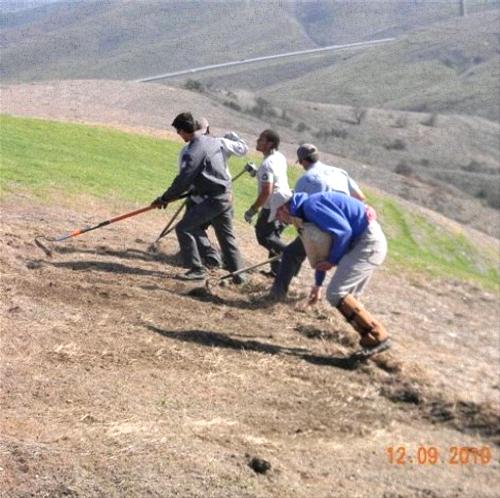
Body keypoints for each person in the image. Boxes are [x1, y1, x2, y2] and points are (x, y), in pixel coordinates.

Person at [268, 190, 390, 356]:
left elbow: (344, 232)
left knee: (335, 293)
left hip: (367, 243)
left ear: (283, 208)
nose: (279, 221)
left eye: (277, 215)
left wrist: (333, 260)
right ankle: (370, 344)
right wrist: (317, 285)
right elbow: (322, 252)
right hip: (364, 242)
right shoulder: (305, 213)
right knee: (349, 298)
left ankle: (377, 337)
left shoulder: (311, 206)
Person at [152, 112, 245, 282]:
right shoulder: (212, 141)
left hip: (213, 199)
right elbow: (208, 170)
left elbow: (183, 180)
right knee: (226, 238)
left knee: (184, 227)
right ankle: (240, 277)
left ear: (183, 130)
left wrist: (164, 198)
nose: (178, 136)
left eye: (178, 132)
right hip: (226, 195)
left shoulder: (193, 150)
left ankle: (196, 269)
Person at [270, 143, 365, 299]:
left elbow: (297, 213)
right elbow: (360, 198)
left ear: (302, 161)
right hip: (347, 225)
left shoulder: (305, 180)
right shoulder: (340, 172)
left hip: (322, 226)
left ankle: (276, 294)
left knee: (291, 253)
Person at [179, 118, 249, 268]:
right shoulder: (221, 142)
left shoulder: (186, 150)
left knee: (190, 226)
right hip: (223, 196)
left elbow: (184, 175)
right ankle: (235, 270)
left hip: (201, 196)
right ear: (208, 129)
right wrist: (234, 136)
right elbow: (243, 149)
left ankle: (209, 255)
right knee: (225, 235)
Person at [244, 129, 291, 276]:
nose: (257, 141)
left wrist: (252, 210)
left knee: (264, 236)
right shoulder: (279, 157)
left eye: (261, 139)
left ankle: (291, 255)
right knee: (273, 237)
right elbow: (273, 177)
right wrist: (256, 173)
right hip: (286, 202)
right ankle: (277, 272)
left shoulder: (267, 164)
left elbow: (266, 192)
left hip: (273, 206)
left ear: (270, 143)